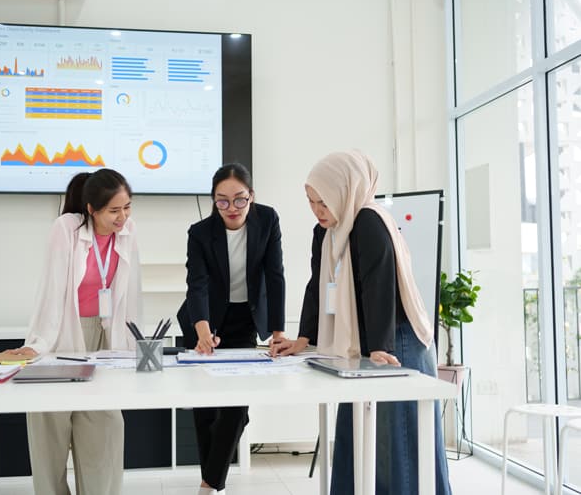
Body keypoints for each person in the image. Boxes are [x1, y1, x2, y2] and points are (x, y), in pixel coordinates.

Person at [271, 151, 452, 495]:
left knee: (395, 445)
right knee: (359, 436)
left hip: (395, 343)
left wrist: (380, 348)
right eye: (311, 202)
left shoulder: (369, 221)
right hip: (366, 345)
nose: (317, 210)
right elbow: (318, 285)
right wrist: (304, 337)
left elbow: (379, 286)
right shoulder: (327, 231)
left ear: (345, 189)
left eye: (323, 201)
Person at [0, 168, 141, 495]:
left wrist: (133, 344)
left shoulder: (129, 230)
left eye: (127, 207)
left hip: (105, 339)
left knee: (105, 425)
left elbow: (132, 290)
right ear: (91, 209)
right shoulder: (66, 228)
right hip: (60, 335)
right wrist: (39, 344)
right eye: (114, 210)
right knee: (51, 432)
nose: (123, 217)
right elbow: (52, 287)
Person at [176, 163, 286, 495]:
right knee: (205, 410)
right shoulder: (199, 232)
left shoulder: (267, 220)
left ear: (252, 197)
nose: (232, 208)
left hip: (244, 321)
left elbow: (275, 275)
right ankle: (212, 479)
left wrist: (278, 331)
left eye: (240, 200)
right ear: (213, 201)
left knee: (236, 406)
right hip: (202, 320)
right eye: (222, 201)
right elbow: (196, 284)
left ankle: (210, 485)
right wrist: (202, 330)